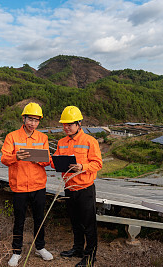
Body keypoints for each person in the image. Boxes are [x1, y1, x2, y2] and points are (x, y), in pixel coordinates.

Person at [1, 102, 53, 267]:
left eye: (36, 120)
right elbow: (4, 159)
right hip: (20, 186)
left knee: (39, 218)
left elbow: (48, 160)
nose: (33, 123)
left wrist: (41, 160)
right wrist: (16, 156)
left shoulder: (42, 138)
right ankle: (16, 252)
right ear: (24, 118)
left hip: (38, 185)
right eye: (30, 119)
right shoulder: (12, 137)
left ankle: (40, 247)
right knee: (19, 220)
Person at [53, 106, 102, 267]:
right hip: (69, 188)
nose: (66, 127)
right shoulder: (61, 142)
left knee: (89, 225)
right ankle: (78, 248)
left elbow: (97, 164)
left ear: (79, 124)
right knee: (75, 222)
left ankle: (90, 257)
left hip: (85, 189)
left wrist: (82, 167)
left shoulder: (90, 141)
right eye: (64, 124)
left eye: (70, 124)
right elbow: (56, 161)